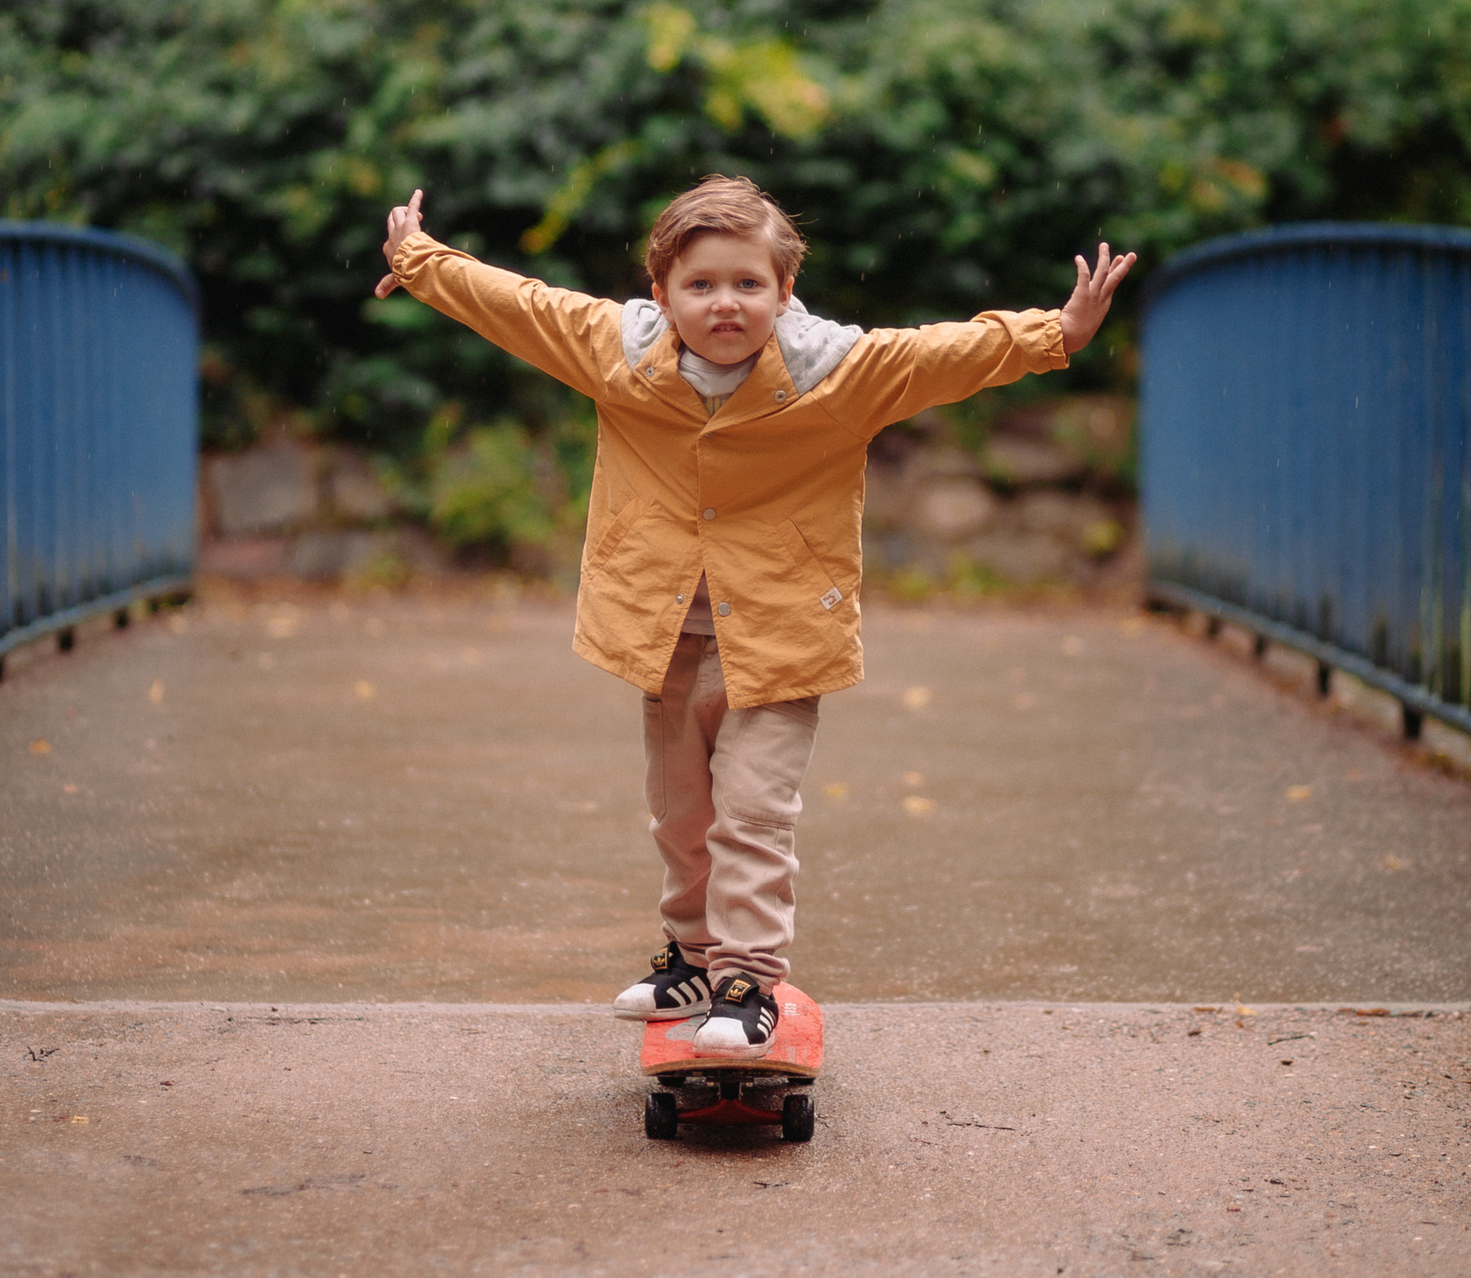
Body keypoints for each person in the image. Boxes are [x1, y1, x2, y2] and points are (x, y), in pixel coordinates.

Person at [375, 176, 1133, 1055]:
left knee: (751, 813)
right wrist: (420, 262)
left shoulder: (838, 374)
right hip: (664, 639)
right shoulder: (617, 351)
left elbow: (942, 353)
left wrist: (1056, 333)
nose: (724, 304)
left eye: (747, 284)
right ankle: (692, 957)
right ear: (661, 293)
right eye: (699, 286)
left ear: (784, 291)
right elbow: (520, 305)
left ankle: (745, 980)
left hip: (776, 641)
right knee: (680, 814)